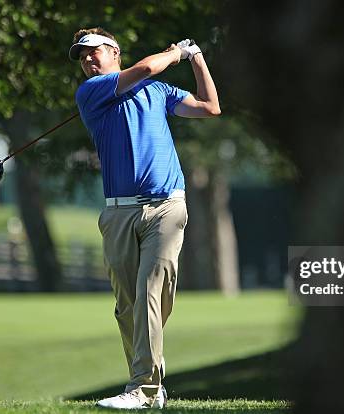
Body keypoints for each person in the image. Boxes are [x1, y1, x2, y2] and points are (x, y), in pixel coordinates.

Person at [69, 27, 220, 410]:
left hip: (168, 205)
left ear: (113, 50)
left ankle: (143, 388)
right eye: (82, 56)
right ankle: (151, 380)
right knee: (128, 304)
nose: (87, 59)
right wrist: (175, 53)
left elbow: (210, 107)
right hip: (118, 211)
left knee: (151, 292)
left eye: (93, 51)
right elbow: (147, 68)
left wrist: (197, 57)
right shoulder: (92, 91)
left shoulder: (159, 92)